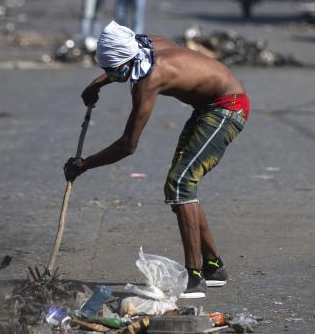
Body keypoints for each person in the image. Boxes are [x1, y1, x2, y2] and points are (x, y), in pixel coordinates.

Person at [66, 22, 249, 298]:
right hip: (209, 107)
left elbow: (128, 145)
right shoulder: (146, 43)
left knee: (181, 184)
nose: (114, 77)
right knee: (181, 187)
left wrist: (84, 165)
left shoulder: (149, 80)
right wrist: (98, 82)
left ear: (127, 60)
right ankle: (214, 267)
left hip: (228, 109)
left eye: (114, 72)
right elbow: (122, 65)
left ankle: (195, 276)